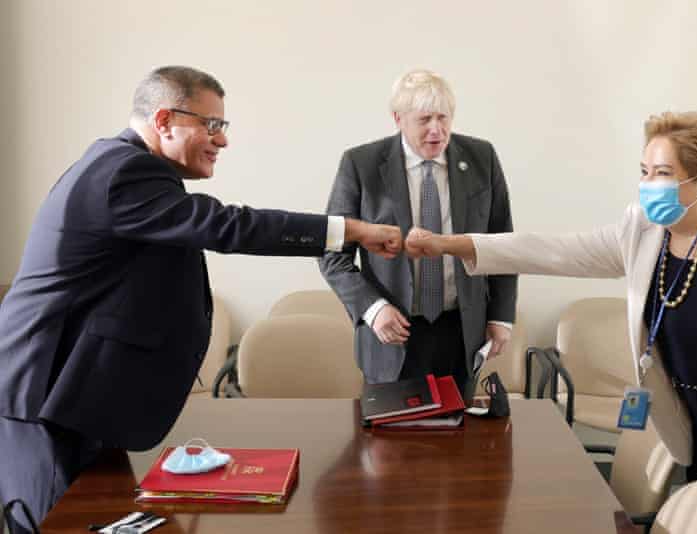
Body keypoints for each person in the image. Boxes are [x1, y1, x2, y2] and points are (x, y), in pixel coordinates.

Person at [0, 65, 401, 530]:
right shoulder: (125, 172)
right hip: (45, 399)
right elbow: (228, 225)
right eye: (212, 125)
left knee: (96, 519)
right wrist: (348, 230)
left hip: (76, 397)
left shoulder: (119, 165)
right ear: (165, 119)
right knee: (60, 524)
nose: (222, 140)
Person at [405, 111, 697, 534]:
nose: (649, 185)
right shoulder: (644, 230)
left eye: (663, 173)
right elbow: (557, 251)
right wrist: (452, 245)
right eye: (645, 171)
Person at [319, 69, 517, 396]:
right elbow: (332, 253)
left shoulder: (482, 158)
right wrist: (373, 308)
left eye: (444, 117)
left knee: (461, 443)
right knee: (389, 445)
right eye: (424, 119)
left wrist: (501, 315)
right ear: (398, 118)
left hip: (462, 331)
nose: (436, 130)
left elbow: (502, 244)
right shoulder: (361, 164)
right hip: (392, 333)